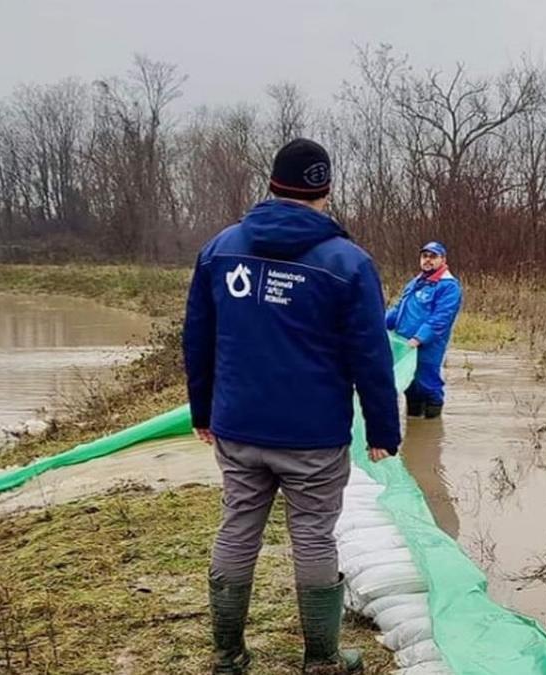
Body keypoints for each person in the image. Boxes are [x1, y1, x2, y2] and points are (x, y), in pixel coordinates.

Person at [183, 138, 400, 674]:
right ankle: (322, 662)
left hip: (238, 427)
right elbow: (370, 355)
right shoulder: (347, 263)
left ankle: (229, 658)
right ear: (325, 189)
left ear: (272, 183)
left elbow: (198, 338)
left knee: (237, 526)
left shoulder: (220, 249)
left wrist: (202, 412)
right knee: (313, 536)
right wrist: (382, 430)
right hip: (314, 436)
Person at [385, 242, 464, 418]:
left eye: (433, 256)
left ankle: (432, 431)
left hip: (427, 346)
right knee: (410, 384)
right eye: (425, 256)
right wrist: (376, 324)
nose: (428, 260)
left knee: (427, 384)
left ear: (442, 260)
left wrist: (419, 338)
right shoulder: (415, 282)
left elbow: (441, 318)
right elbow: (399, 310)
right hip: (404, 345)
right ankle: (414, 425)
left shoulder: (449, 287)